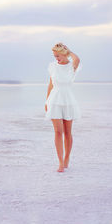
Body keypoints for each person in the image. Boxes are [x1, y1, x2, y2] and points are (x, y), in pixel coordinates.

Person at [45, 42, 82, 172]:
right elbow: (50, 85)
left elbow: (77, 59)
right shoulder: (52, 66)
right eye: (55, 56)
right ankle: (60, 162)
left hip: (68, 100)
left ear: (64, 54)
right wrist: (46, 102)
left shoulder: (72, 66)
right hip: (54, 100)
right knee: (57, 131)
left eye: (58, 55)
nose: (56, 58)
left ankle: (67, 158)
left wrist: (68, 50)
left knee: (67, 132)